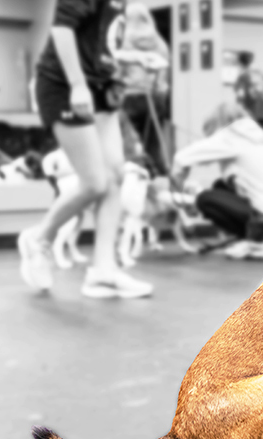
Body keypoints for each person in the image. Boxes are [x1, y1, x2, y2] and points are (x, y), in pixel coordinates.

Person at [18, 0, 153, 299]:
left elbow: (98, 40)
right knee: (95, 182)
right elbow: (62, 28)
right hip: (64, 86)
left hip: (101, 88)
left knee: (116, 175)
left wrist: (128, 60)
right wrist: (77, 84)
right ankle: (39, 240)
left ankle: (103, 272)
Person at [172, 102, 263, 260]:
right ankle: (258, 239)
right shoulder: (256, 138)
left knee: (204, 199)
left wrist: (177, 182)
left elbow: (182, 157)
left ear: (217, 124)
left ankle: (257, 243)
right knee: (221, 186)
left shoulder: (232, 135)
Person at [117, 2, 171, 176]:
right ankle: (159, 178)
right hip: (155, 99)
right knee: (154, 144)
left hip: (130, 97)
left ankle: (133, 177)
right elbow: (164, 77)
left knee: (128, 143)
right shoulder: (160, 44)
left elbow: (118, 73)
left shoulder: (124, 42)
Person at [233, 52, 263, 131]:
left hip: (249, 116)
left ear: (240, 63)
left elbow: (239, 96)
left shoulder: (243, 76)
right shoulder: (261, 73)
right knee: (262, 139)